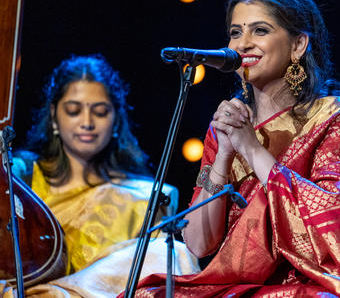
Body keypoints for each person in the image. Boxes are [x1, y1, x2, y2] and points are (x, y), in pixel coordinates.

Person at [132, 0, 340, 297]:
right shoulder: (224, 127)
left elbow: (336, 223)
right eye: (235, 32)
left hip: (312, 283)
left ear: (298, 45)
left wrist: (251, 148)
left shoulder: (332, 115)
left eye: (260, 30)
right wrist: (223, 156)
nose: (243, 44)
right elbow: (198, 244)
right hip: (237, 284)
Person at [2, 55, 199, 297]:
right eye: (74, 111)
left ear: (116, 119)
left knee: (168, 252)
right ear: (54, 115)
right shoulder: (19, 176)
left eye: (100, 112)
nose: (87, 122)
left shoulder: (142, 200)